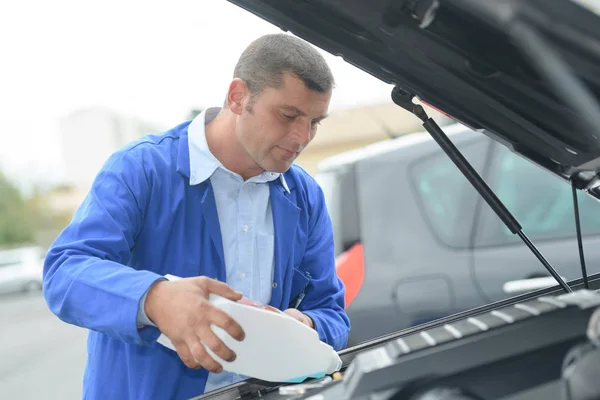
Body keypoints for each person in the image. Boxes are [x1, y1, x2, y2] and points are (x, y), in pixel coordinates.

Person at [43, 33, 350, 399]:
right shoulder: (141, 168)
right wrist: (154, 299)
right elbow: (65, 272)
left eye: (315, 122)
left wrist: (309, 325)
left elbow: (330, 311)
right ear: (238, 97)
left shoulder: (306, 196)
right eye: (288, 116)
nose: (302, 137)